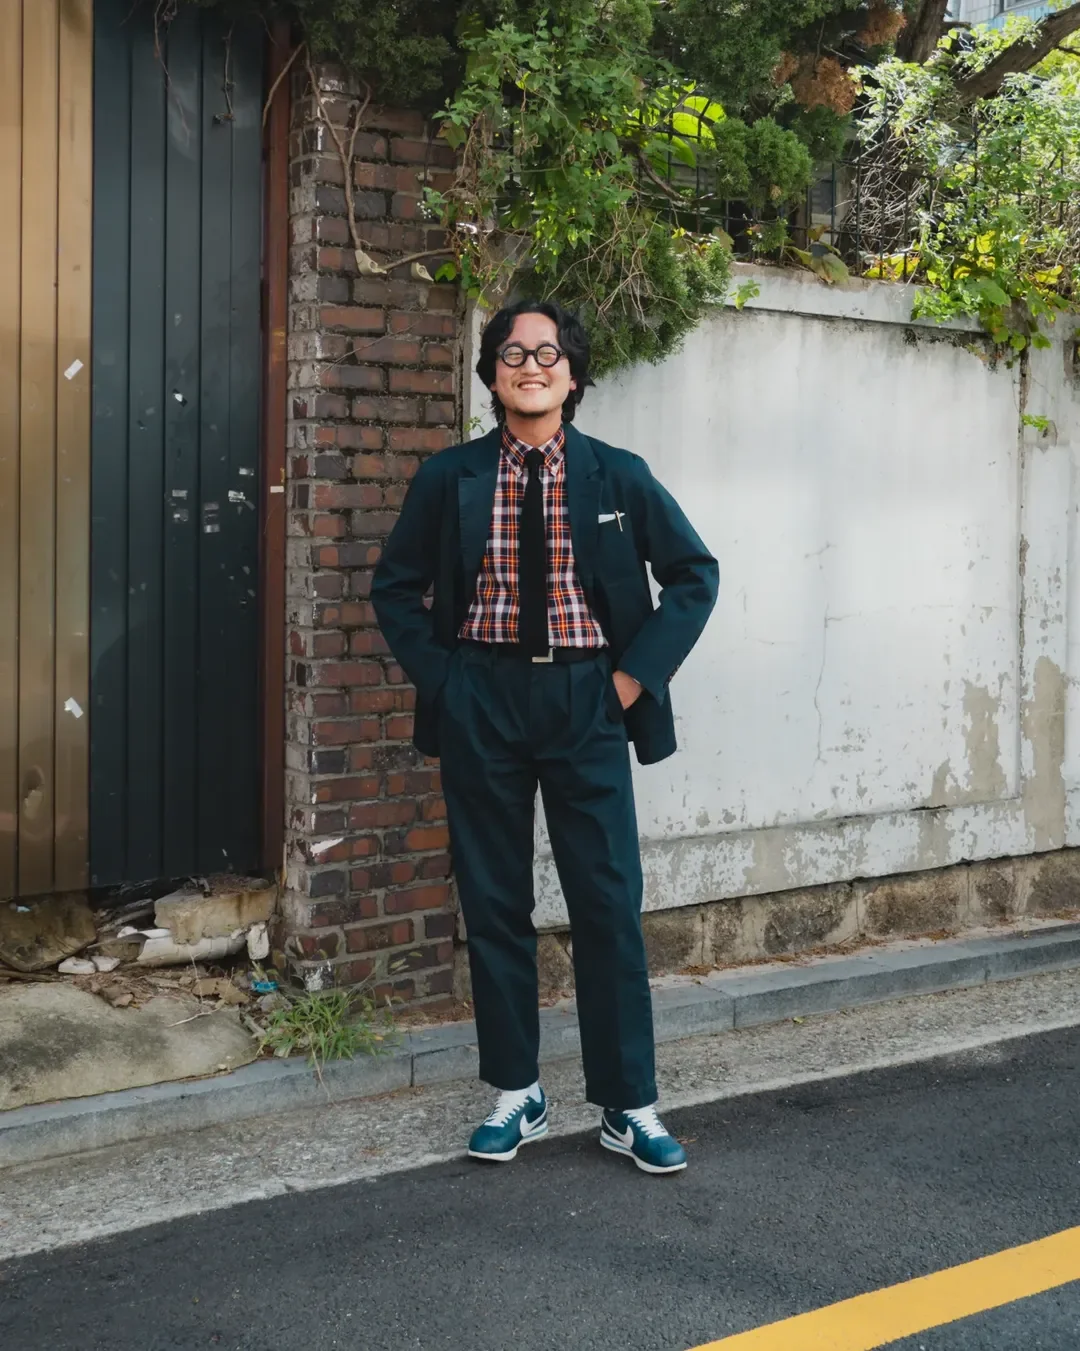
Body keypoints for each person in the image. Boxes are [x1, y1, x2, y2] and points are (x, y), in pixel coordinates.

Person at [371, 299, 718, 1175]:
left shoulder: (617, 476)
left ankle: (628, 1101)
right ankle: (516, 1091)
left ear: (573, 375)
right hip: (481, 696)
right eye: (514, 352)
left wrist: (630, 680)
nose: (532, 364)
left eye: (549, 352)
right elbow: (394, 589)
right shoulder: (448, 477)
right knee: (493, 903)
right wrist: (447, 684)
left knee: (607, 903)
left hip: (586, 698)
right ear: (492, 375)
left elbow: (693, 575)